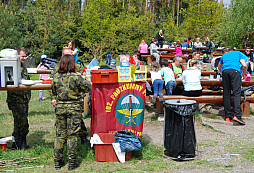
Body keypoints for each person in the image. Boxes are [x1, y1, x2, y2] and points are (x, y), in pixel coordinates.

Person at [51, 54, 92, 170]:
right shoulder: (76, 77)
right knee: (72, 136)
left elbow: (53, 90)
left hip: (60, 108)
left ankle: (57, 162)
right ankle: (72, 163)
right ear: (72, 64)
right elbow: (89, 87)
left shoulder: (56, 77)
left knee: (60, 135)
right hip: (74, 108)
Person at [7, 48, 31, 149]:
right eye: (22, 56)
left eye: (25, 56)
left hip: (24, 99)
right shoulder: (13, 67)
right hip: (16, 99)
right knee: (19, 122)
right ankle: (16, 144)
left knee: (24, 121)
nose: (24, 58)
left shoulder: (23, 68)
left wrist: (28, 97)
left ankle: (22, 141)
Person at [218, 48, 247, 125]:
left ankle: (228, 116)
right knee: (236, 93)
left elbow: (219, 67)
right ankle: (237, 115)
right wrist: (243, 74)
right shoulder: (238, 53)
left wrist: (221, 73)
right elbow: (244, 65)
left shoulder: (224, 55)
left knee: (226, 94)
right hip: (235, 72)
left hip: (225, 72)